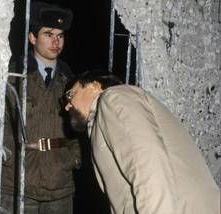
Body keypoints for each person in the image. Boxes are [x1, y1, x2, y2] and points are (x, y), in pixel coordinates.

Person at [64, 70, 220, 214]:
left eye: (71, 94)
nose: (67, 106)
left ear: (93, 86)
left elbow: (148, 166)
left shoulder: (114, 98)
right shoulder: (102, 120)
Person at [1, 2, 81, 214]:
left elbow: (80, 124)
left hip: (60, 183)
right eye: (48, 34)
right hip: (19, 181)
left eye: (61, 36)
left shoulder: (71, 81)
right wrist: (10, 157)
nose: (56, 42)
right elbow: (0, 121)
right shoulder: (14, 75)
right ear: (32, 38)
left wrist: (74, 157)